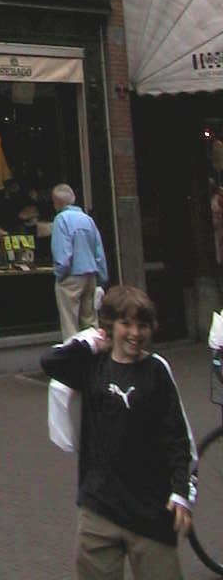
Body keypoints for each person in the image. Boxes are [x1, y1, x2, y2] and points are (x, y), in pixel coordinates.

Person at [41, 284, 197, 580]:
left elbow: (177, 437)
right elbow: (50, 362)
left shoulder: (156, 371)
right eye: (126, 323)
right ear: (111, 325)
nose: (135, 333)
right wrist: (89, 344)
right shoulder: (92, 367)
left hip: (151, 511)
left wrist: (180, 492)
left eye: (143, 325)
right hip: (99, 508)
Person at [52, 183, 109, 340]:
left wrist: (60, 275)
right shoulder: (88, 220)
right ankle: (94, 349)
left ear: (56, 203)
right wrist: (102, 279)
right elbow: (99, 253)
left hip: (71, 276)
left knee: (70, 322)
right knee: (90, 321)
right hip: (91, 275)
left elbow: (63, 255)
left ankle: (73, 352)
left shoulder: (61, 219)